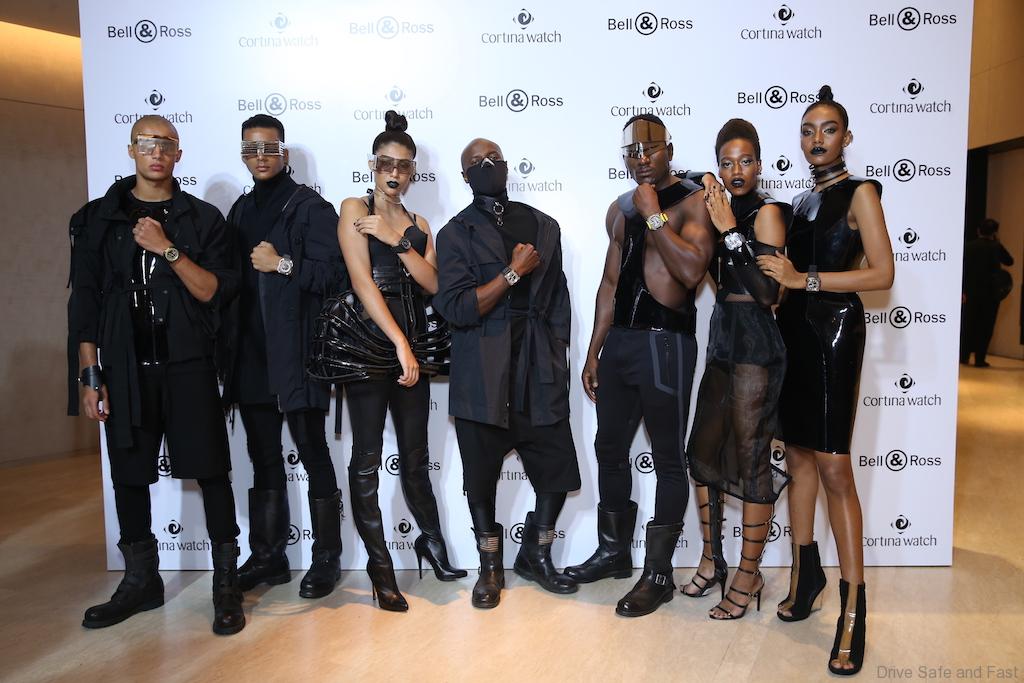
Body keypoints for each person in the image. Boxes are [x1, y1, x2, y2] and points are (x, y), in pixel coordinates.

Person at [67, 115, 245, 635]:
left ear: (178, 153)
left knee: (212, 470)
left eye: (166, 143)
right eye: (147, 143)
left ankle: (226, 584)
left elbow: (213, 291)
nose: (156, 152)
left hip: (189, 363)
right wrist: (89, 374)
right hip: (124, 366)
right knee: (128, 473)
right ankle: (142, 580)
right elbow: (85, 302)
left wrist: (166, 247)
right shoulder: (98, 218)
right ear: (131, 149)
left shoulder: (203, 219)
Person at [757, 85, 894, 675]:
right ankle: (805, 574)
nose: (817, 138)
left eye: (829, 129)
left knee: (835, 465)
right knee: (800, 457)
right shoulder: (800, 201)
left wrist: (803, 279)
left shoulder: (861, 193)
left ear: (847, 137)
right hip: (792, 333)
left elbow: (882, 274)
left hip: (835, 332)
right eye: (808, 129)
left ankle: (854, 610)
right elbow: (782, 276)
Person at [565, 114, 715, 618]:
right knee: (609, 447)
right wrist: (594, 349)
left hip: (665, 342)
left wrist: (654, 216)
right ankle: (613, 553)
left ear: (668, 149)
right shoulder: (619, 208)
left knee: (668, 457)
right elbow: (610, 283)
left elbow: (691, 271)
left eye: (651, 148)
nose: (642, 157)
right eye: (632, 151)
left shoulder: (694, 200)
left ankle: (659, 575)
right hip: (622, 344)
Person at [434, 137, 581, 609]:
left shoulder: (543, 225)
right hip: (482, 371)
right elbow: (457, 307)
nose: (487, 166)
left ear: (506, 165)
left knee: (556, 469)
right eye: (476, 163)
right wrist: (512, 273)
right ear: (465, 177)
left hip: (538, 367)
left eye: (493, 159)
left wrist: (557, 352)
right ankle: (490, 568)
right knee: (480, 479)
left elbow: (558, 299)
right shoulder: (454, 234)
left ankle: (537, 554)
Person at [336, 111, 466, 612]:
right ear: (374, 165)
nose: (395, 173)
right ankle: (380, 569)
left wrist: (398, 241)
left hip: (412, 343)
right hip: (370, 344)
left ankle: (431, 544)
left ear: (413, 171)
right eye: (387, 163)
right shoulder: (354, 207)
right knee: (367, 460)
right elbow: (362, 282)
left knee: (415, 457)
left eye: (404, 166)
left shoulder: (419, 224)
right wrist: (399, 344)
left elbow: (434, 284)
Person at [221, 114, 346, 599]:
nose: (260, 157)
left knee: (313, 451)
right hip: (251, 354)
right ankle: (269, 557)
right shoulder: (239, 210)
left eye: (269, 148)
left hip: (297, 354)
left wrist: (282, 264)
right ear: (242, 154)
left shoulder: (311, 208)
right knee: (263, 456)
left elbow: (335, 277)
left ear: (284, 153)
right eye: (250, 149)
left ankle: (326, 558)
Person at [680, 119, 791, 620]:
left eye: (746, 160)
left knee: (750, 460)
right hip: (723, 337)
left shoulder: (767, 213)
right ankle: (712, 559)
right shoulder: (717, 203)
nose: (737, 170)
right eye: (727, 163)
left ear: (760, 163)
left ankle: (749, 574)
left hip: (756, 343)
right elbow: (682, 177)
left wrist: (728, 230)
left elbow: (768, 294)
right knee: (702, 453)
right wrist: (706, 187)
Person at [960, 218, 1014, 367]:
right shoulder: (996, 247)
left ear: (978, 230)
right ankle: (980, 359)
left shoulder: (969, 246)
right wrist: (998, 242)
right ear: (995, 232)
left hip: (971, 292)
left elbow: (963, 269)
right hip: (991, 294)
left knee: (968, 324)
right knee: (986, 326)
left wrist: (963, 290)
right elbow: (1010, 261)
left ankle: (964, 356)